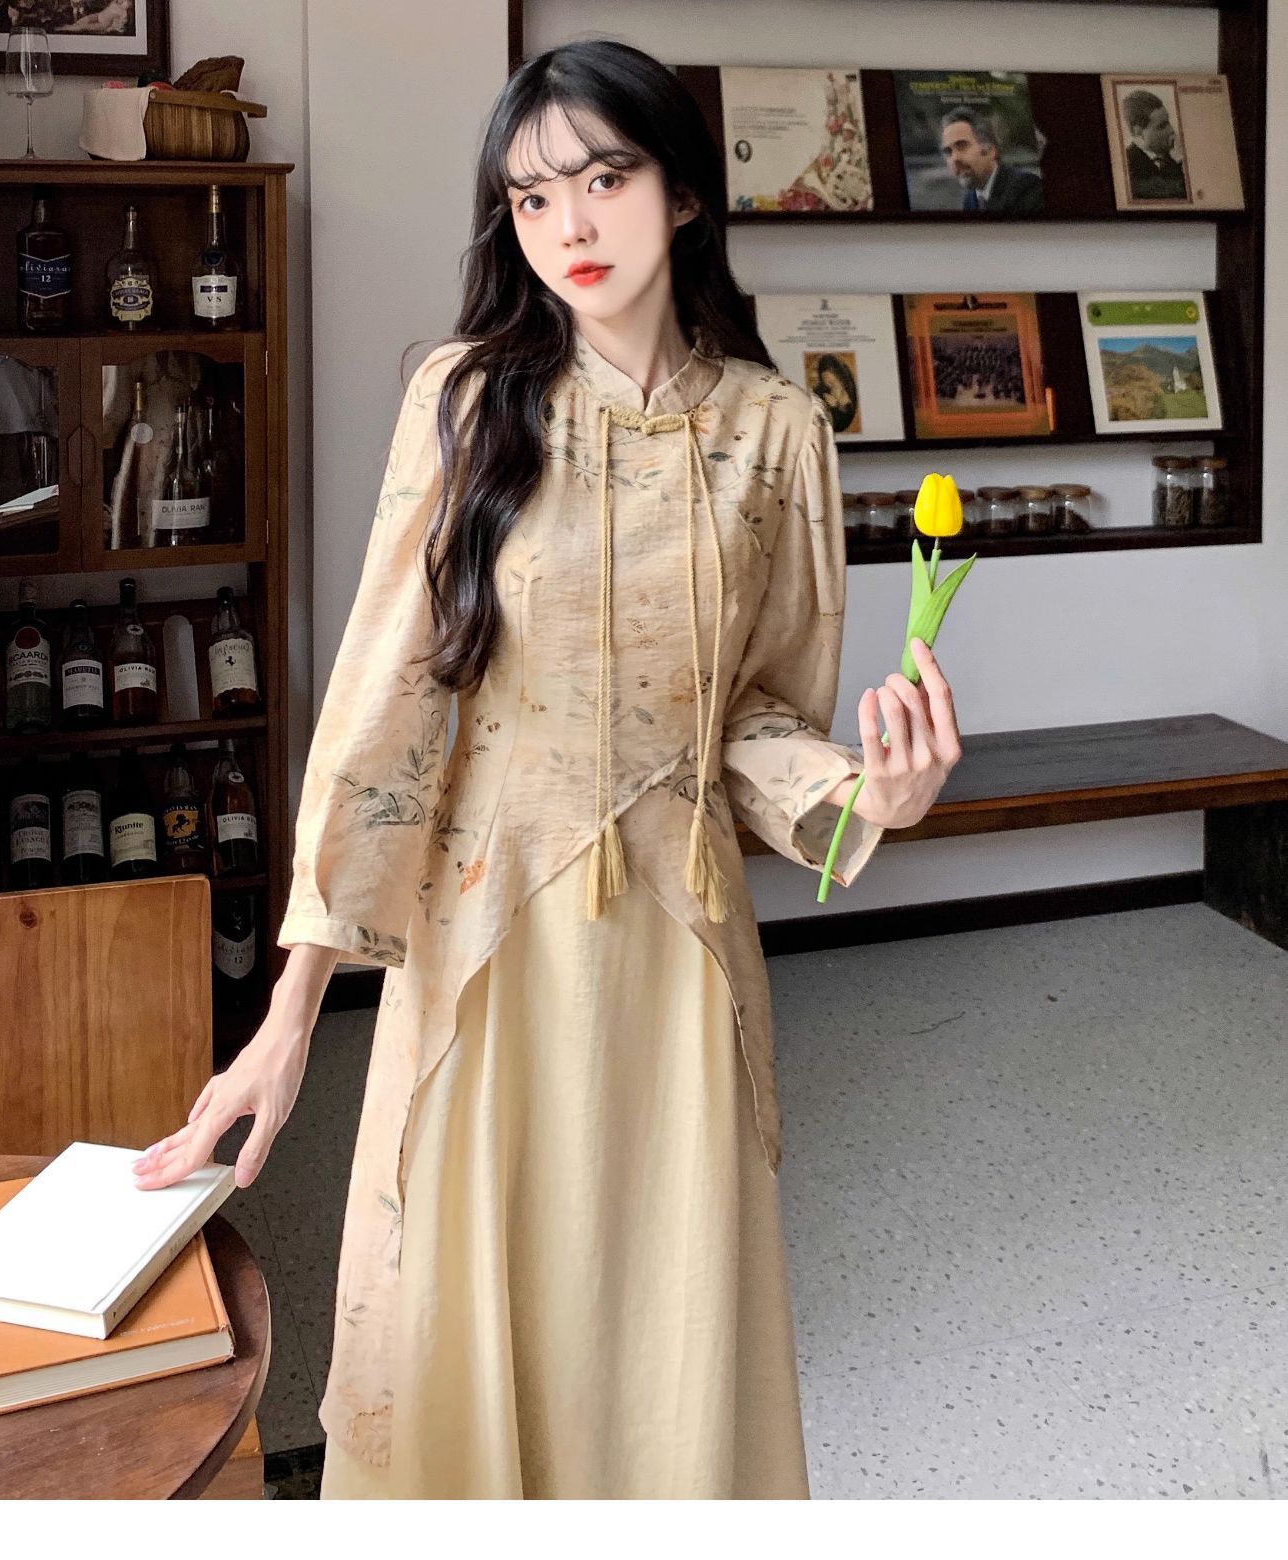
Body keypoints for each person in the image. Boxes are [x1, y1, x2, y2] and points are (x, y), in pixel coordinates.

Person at [132, 38, 962, 1499]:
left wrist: (867, 796)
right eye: (530, 198)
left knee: (665, 1356)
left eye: (603, 178)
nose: (568, 224)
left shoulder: (779, 434)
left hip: (681, 969)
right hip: (483, 953)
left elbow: (757, 724)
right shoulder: (465, 401)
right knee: (462, 1345)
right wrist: (288, 1018)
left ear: (684, 192)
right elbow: (387, 714)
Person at [939, 105, 1044, 213]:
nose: (954, 158)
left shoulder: (1025, 188)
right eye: (948, 152)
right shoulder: (970, 199)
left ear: (990, 150)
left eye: (962, 145)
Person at [1122, 88, 1188, 201]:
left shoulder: (1170, 157)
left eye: (1168, 122)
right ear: (1137, 131)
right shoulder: (1127, 165)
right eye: (1162, 126)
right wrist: (1180, 160)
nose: (1172, 130)